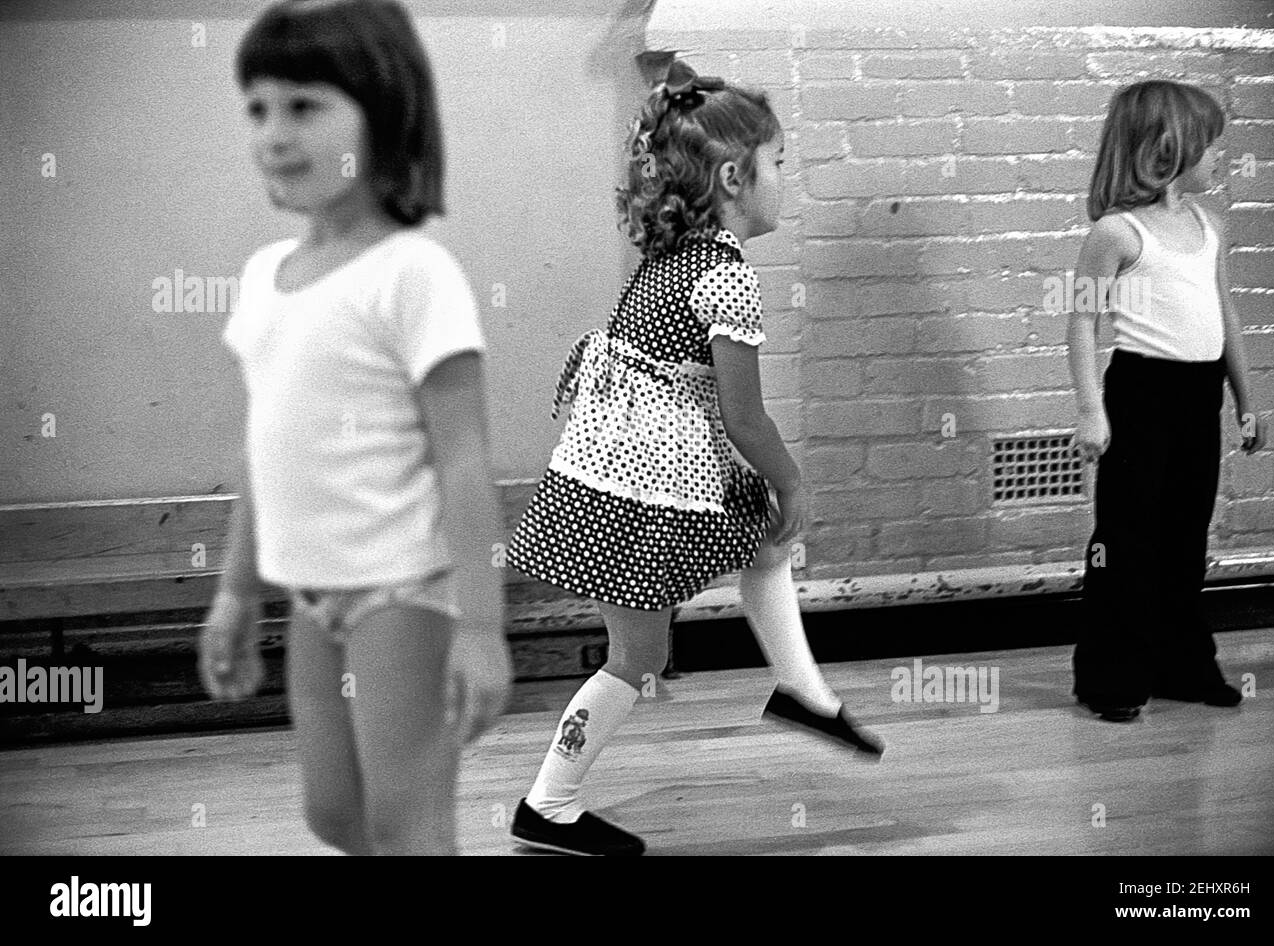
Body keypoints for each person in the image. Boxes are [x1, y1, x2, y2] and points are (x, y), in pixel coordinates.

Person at [504, 60, 884, 857]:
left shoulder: (670, 262)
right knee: (638, 660)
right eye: (780, 163)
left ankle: (802, 691)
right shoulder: (726, 276)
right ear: (734, 176)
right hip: (638, 499)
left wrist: (769, 490)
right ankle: (549, 803)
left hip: (607, 484)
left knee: (759, 537)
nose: (786, 179)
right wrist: (792, 478)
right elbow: (744, 418)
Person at [198, 0, 511, 854]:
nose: (273, 132)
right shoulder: (266, 276)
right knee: (333, 815)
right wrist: (233, 592)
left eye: (304, 106)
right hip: (308, 592)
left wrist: (481, 629)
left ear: (386, 113)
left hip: (403, 589)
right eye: (257, 108)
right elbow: (265, 451)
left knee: (409, 825)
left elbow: (463, 458)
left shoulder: (416, 274)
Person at [1067, 80, 1265, 723]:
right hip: (1140, 395)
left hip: (1198, 396)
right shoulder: (1117, 233)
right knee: (1126, 542)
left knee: (1185, 537)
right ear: (1167, 149)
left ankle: (1181, 663)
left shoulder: (1209, 227)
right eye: (1212, 147)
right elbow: (1080, 322)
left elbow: (1227, 315)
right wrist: (1092, 410)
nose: (1222, 159)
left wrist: (1245, 400)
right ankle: (1112, 675)